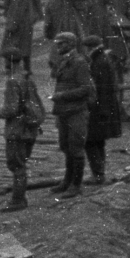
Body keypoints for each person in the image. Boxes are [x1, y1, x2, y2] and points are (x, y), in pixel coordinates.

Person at [0, 49, 44, 211]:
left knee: (16, 165)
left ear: (8, 62)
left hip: (17, 129)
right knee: (21, 163)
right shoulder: (27, 78)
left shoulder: (12, 81)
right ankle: (19, 197)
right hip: (30, 129)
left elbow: (12, 108)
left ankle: (18, 200)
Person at [47, 31, 93, 197]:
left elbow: (85, 89)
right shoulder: (64, 60)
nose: (58, 47)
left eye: (61, 44)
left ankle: (76, 184)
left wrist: (62, 96)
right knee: (65, 146)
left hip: (76, 111)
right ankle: (67, 180)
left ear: (71, 44)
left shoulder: (80, 63)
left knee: (76, 147)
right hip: (64, 111)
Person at [82, 35, 122, 185]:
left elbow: (103, 89)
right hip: (103, 107)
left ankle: (98, 174)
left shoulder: (99, 63)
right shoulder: (102, 60)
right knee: (98, 141)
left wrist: (103, 110)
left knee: (91, 141)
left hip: (99, 108)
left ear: (90, 48)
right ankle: (99, 172)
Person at [0, 0, 36, 73]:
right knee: (21, 46)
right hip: (21, 23)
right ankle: (21, 67)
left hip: (20, 24)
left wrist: (13, 24)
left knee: (15, 45)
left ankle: (17, 68)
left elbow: (18, 11)